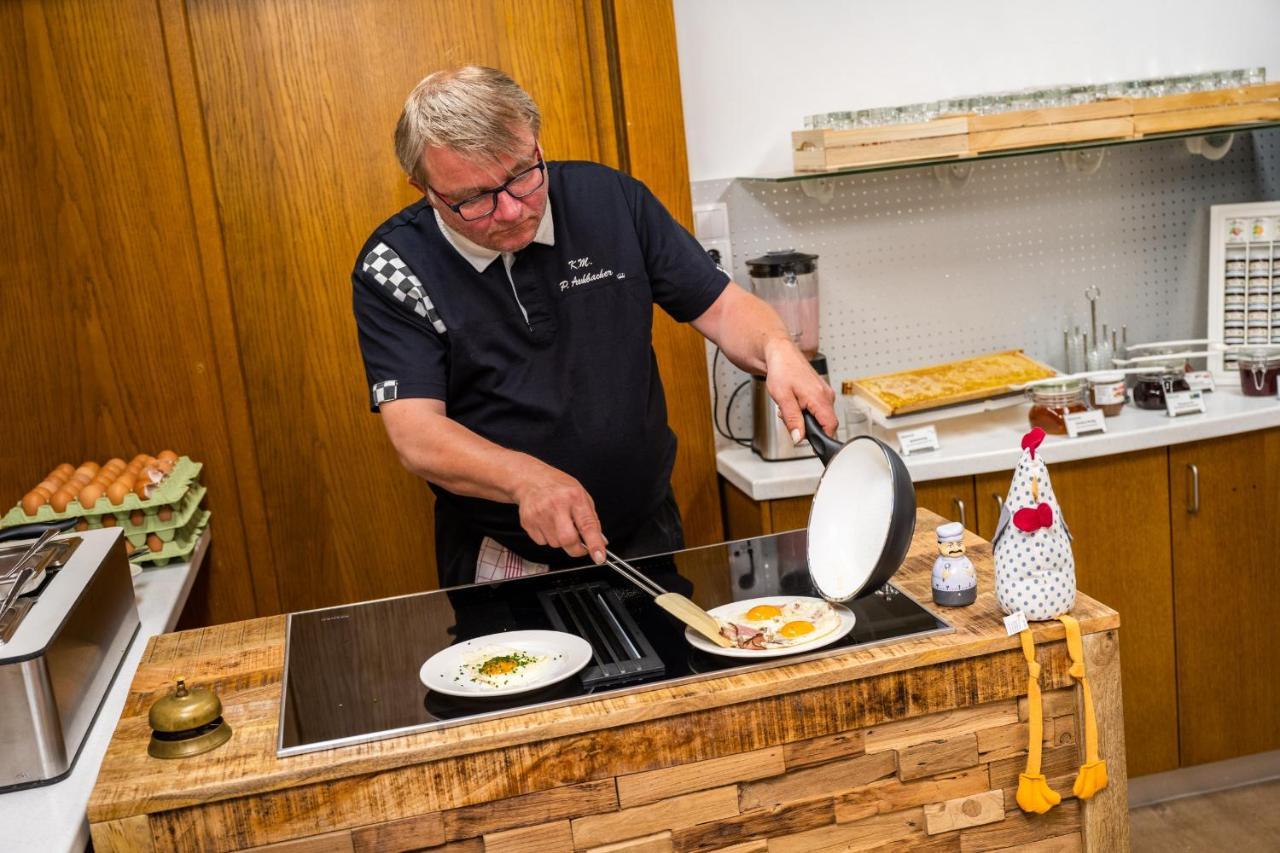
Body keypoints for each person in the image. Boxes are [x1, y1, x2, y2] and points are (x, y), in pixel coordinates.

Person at [352, 66, 835, 587]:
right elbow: (418, 435)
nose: (512, 209)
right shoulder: (394, 266)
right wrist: (525, 480)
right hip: (503, 554)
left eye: (522, 174)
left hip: (645, 532)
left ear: (536, 144)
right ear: (423, 189)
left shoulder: (610, 200)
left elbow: (721, 305)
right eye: (473, 199)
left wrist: (779, 349)